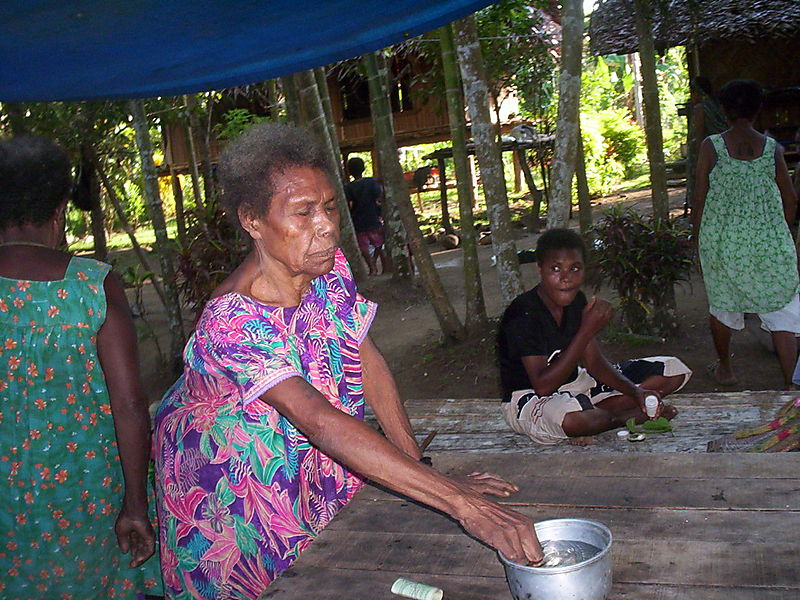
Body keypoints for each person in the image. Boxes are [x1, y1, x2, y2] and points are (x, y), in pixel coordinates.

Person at [153, 123, 543, 599]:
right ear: (252, 221)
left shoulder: (327, 266)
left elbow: (365, 356)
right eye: (303, 212)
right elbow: (318, 421)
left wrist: (421, 466)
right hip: (234, 491)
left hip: (309, 466)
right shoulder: (232, 319)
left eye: (330, 207)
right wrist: (463, 505)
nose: (326, 226)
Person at [0, 136, 161, 599]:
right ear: (59, 209)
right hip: (85, 494)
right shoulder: (91, 285)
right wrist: (134, 503)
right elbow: (130, 405)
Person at [497, 229, 692, 446]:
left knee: (673, 370)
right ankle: (623, 417)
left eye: (575, 269)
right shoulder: (523, 312)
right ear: (539, 269)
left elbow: (594, 363)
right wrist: (586, 330)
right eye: (555, 268)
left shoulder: (577, 301)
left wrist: (637, 392)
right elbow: (543, 385)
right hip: (532, 398)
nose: (565, 278)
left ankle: (601, 413)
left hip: (579, 385)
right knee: (572, 420)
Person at [692, 79, 800, 388]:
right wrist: (783, 237)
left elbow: (700, 197)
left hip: (723, 242)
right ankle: (792, 383)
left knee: (723, 303)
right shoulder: (772, 148)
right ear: (757, 109)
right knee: (782, 310)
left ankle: (725, 368)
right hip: (769, 242)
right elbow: (790, 198)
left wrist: (699, 241)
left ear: (724, 110)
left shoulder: (711, 146)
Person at [344, 156, 386, 275]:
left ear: (349, 171)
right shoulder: (371, 182)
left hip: (358, 220)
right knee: (379, 243)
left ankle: (372, 267)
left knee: (363, 247)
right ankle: (377, 263)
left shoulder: (349, 187)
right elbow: (379, 196)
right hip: (373, 217)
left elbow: (348, 204)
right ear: (363, 168)